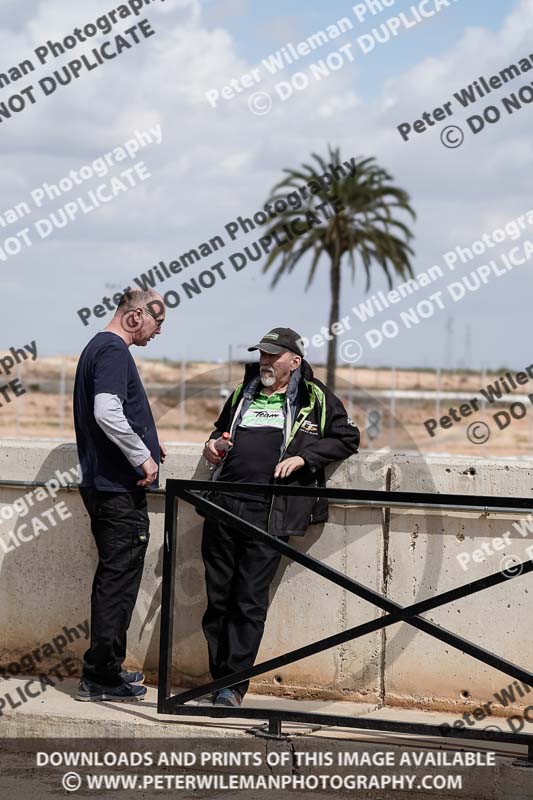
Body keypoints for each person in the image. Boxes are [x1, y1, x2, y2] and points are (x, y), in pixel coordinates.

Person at [201, 327, 360, 707]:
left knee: (249, 600)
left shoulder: (314, 396)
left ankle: (232, 687)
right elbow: (218, 433)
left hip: (268, 512)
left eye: (274, 356)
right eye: (263, 355)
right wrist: (213, 446)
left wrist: (305, 458)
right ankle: (213, 680)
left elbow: (347, 438)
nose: (266, 362)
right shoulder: (244, 393)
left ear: (295, 361)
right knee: (218, 599)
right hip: (223, 505)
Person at [73, 288, 167, 702]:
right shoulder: (113, 351)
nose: (158, 331)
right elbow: (106, 411)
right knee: (118, 581)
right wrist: (142, 456)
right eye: (156, 322)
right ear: (134, 317)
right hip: (115, 489)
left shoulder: (98, 347)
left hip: (103, 485)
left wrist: (148, 440)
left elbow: (116, 413)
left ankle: (105, 669)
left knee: (115, 578)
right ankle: (100, 677)